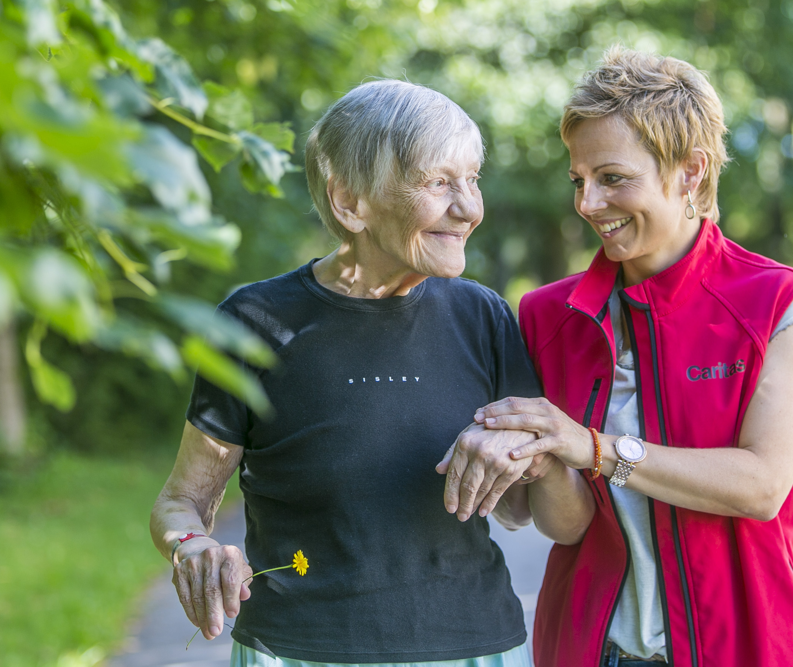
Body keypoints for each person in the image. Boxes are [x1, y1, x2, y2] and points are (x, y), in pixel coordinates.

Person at [442, 48, 793, 667]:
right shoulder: (548, 317)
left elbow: (761, 487)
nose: (588, 203)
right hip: (590, 650)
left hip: (746, 645)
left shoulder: (776, 303)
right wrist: (537, 462)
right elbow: (557, 524)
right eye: (578, 180)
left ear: (691, 173)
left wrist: (594, 448)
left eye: (613, 177)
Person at [149, 79, 544, 667]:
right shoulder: (254, 323)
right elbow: (181, 501)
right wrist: (192, 546)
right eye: (438, 182)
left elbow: (522, 508)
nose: (470, 208)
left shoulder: (483, 315)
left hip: (474, 646)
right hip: (297, 651)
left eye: (472, 179)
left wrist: (524, 449)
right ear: (349, 202)